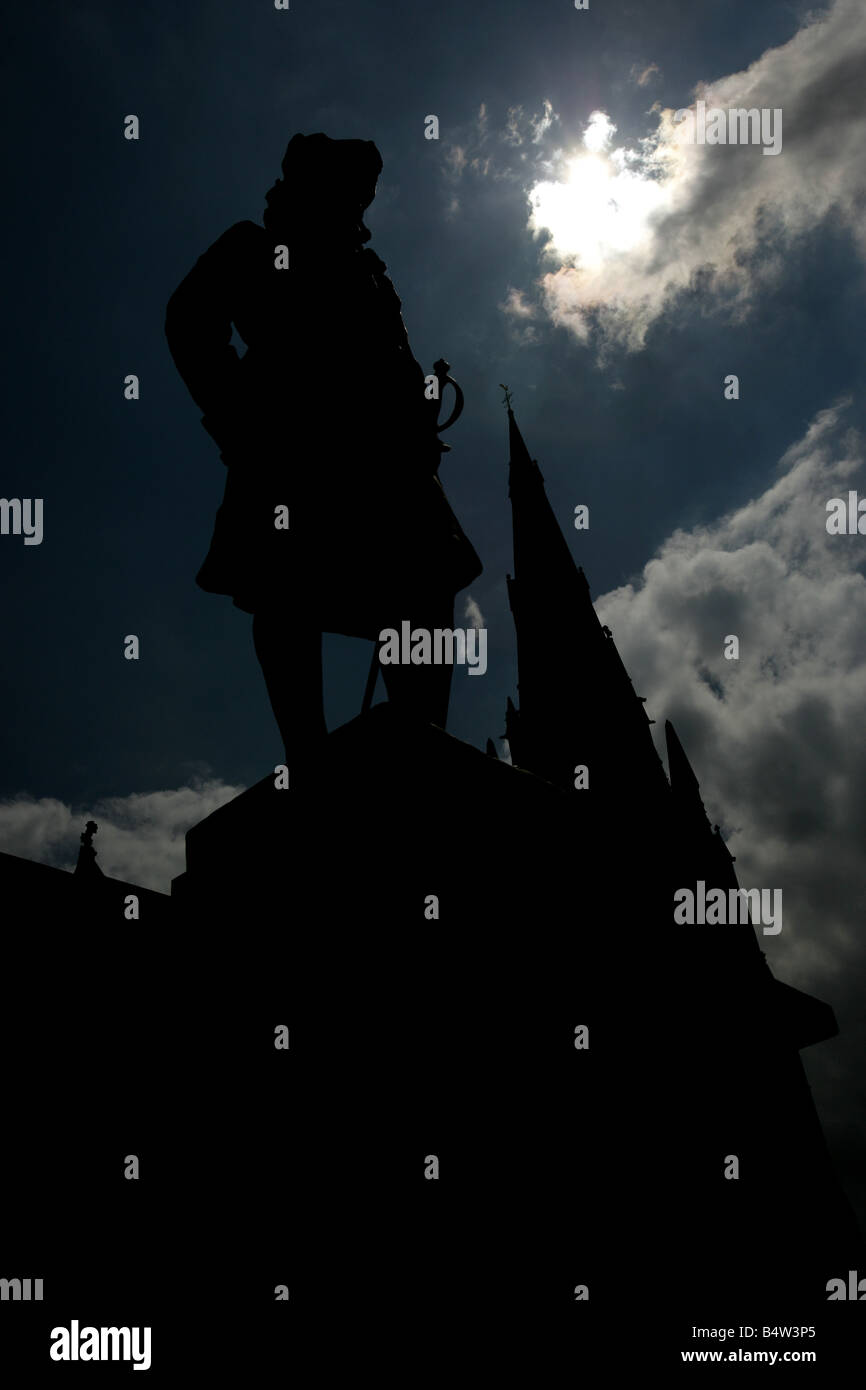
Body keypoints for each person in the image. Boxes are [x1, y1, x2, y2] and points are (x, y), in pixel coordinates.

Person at [165, 133, 482, 772]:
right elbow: (189, 322)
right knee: (288, 589)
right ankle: (307, 757)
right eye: (348, 190)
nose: (359, 205)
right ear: (308, 189)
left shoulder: (368, 273)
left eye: (362, 195)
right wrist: (240, 418)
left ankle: (423, 747)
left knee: (427, 581)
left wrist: (419, 412)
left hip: (390, 463)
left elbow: (393, 357)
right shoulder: (252, 248)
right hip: (295, 450)